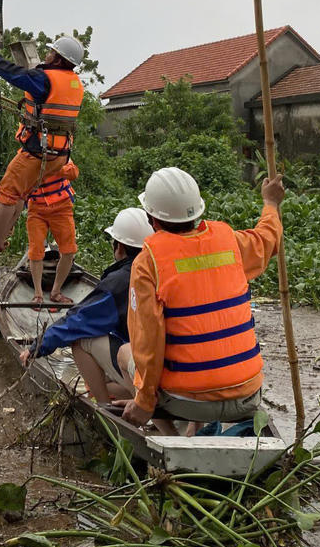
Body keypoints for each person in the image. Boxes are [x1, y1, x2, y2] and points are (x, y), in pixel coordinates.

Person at [116, 167, 285, 433]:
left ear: (151, 219)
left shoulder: (148, 262)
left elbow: (147, 341)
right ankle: (195, 430)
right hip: (248, 395)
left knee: (124, 352)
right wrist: (271, 204)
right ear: (197, 213)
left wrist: (145, 401)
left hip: (188, 402)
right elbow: (268, 239)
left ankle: (170, 436)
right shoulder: (229, 241)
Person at [0, 32, 85, 262]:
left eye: (52, 52)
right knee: (21, 193)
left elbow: (12, 73)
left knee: (9, 190)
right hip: (59, 154)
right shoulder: (74, 84)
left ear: (58, 59)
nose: (47, 55)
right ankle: (0, 238)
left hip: (38, 152)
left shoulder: (44, 79)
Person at [19, 208, 154, 402]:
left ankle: (104, 406)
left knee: (81, 340)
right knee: (106, 377)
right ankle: (120, 395)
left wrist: (38, 346)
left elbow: (78, 321)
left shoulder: (119, 282)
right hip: (161, 361)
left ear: (119, 248)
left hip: (145, 366)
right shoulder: (159, 268)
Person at [23, 160, 79, 306]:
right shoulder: (28, 156)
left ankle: (56, 292)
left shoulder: (61, 156)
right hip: (36, 209)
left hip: (62, 207)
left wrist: (52, 167)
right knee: (35, 251)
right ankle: (38, 294)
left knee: (69, 251)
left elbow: (73, 173)